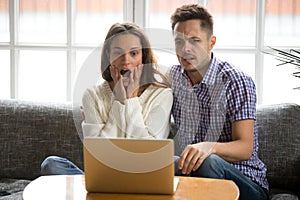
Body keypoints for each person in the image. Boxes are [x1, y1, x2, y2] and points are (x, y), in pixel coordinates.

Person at [40, 22, 173, 175]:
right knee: (52, 165)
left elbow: (148, 154)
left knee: (173, 161)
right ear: (108, 56)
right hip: (103, 176)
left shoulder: (161, 95)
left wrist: (130, 100)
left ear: (143, 57)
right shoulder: (92, 95)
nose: (126, 60)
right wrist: (119, 101)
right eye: (118, 53)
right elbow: (100, 156)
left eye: (134, 53)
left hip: (144, 175)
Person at [169, 4, 269, 200]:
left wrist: (208, 146)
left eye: (194, 40)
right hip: (193, 174)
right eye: (179, 42)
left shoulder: (236, 81)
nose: (186, 49)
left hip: (245, 182)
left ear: (211, 42)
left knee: (209, 162)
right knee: (156, 165)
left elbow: (245, 147)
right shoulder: (173, 76)